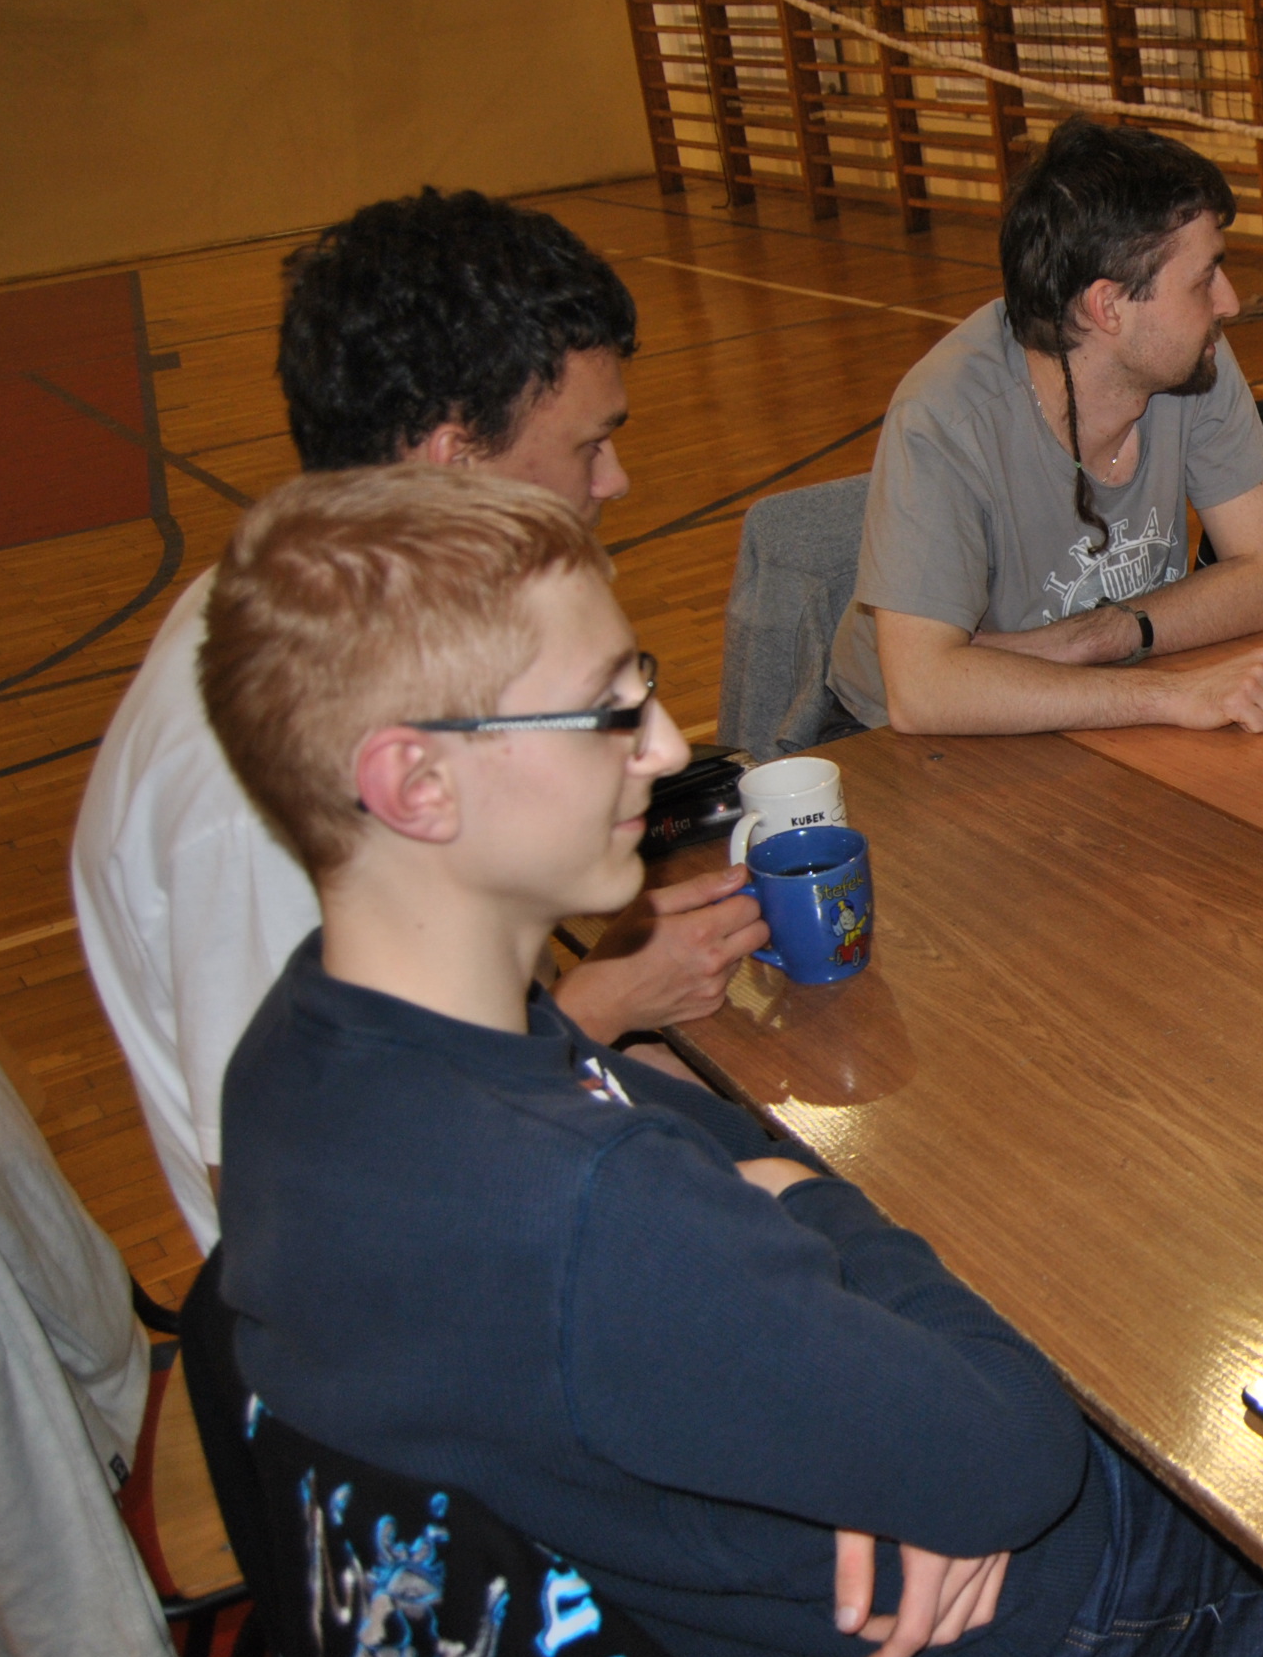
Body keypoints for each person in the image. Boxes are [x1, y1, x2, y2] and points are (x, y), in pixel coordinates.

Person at [203, 466, 1263, 1657]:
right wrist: (813, 1225)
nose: (665, 748)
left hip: (773, 1551)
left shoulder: (308, 1043)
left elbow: (686, 1152)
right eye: (608, 710)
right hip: (981, 1643)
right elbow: (1012, 1452)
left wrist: (789, 1249)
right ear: (416, 784)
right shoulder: (588, 1213)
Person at [71, 188, 765, 1255]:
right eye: (589, 446)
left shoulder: (304, 595)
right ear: (454, 461)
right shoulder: (260, 793)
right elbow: (306, 1185)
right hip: (441, 1258)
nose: (615, 480)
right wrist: (601, 1006)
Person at [829, 119, 1263, 737]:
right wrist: (1168, 694)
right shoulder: (945, 418)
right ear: (1107, 306)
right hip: (897, 743)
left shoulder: (1194, 361)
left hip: (1096, 697)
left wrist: (1097, 637)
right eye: (1203, 279)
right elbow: (923, 691)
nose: (1229, 302)